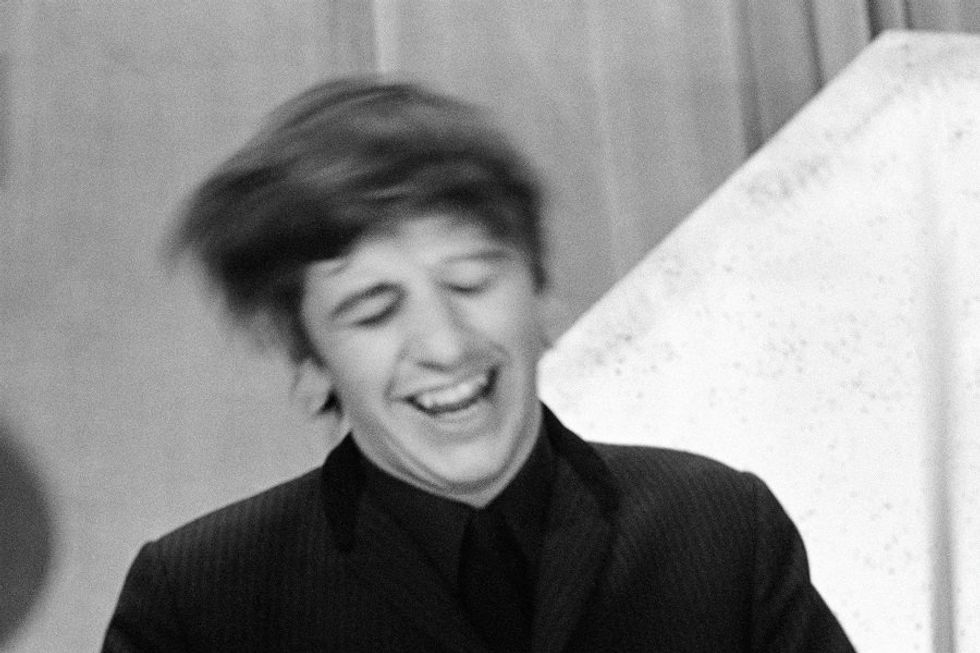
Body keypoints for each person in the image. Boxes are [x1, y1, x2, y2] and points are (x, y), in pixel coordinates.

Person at [103, 78, 855, 652]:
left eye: (470, 281)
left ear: (541, 291)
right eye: (373, 310)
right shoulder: (199, 603)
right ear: (310, 364)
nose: (444, 343)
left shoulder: (721, 528)